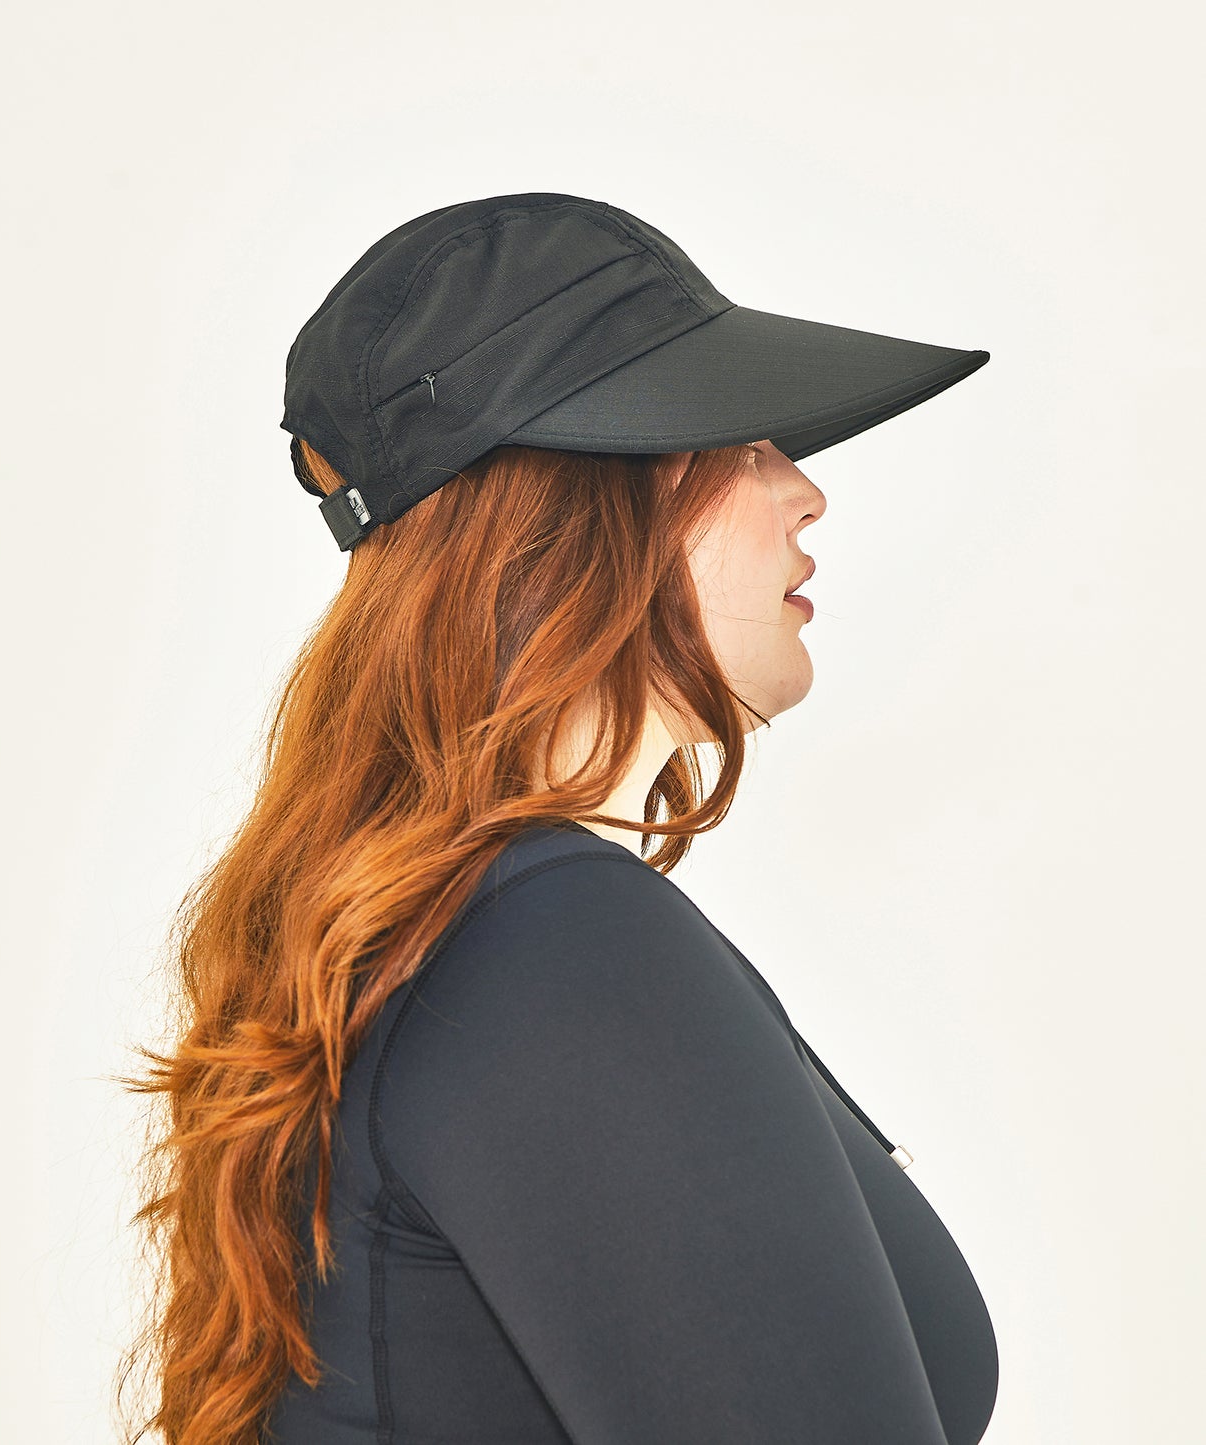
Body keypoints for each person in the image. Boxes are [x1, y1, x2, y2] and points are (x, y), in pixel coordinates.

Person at [115, 193, 999, 1445]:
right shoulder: (557, 947)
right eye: (735, 441)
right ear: (577, 506)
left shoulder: (486, 934)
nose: (803, 492)